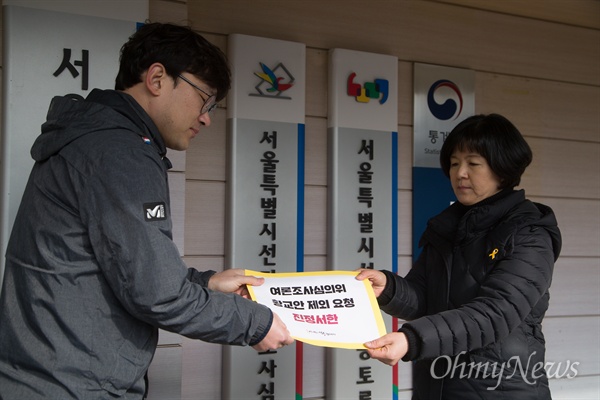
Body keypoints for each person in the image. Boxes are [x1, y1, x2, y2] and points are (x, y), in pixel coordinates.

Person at [0, 22, 294, 399]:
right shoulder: (120, 154)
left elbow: (119, 269)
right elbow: (158, 294)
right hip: (73, 385)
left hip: (45, 375)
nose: (206, 117)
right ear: (157, 78)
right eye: (205, 100)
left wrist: (204, 284)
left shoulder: (94, 140)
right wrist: (256, 323)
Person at [357, 113, 561, 399]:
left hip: (501, 389)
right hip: (437, 385)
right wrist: (388, 288)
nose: (460, 173)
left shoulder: (529, 233)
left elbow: (496, 313)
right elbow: (424, 297)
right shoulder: (447, 227)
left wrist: (411, 339)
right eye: (454, 163)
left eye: (473, 163)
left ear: (502, 170)